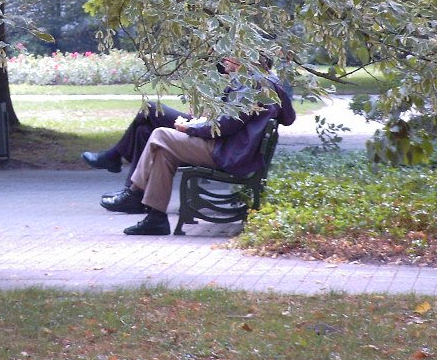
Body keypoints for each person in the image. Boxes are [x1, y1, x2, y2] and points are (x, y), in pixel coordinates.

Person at [103, 57, 295, 235]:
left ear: (246, 57)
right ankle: (156, 218)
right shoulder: (268, 81)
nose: (225, 59)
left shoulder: (251, 84)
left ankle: (134, 192)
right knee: (163, 151)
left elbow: (226, 125)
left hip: (227, 151)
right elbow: (289, 117)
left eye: (231, 54)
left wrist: (190, 128)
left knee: (159, 134)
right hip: (234, 149)